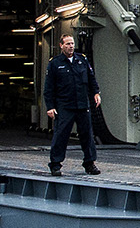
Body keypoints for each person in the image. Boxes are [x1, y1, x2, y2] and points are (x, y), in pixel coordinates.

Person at [43, 33, 101, 175]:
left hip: (82, 104)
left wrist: (96, 93)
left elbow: (91, 78)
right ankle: (55, 164)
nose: (71, 46)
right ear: (61, 45)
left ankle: (90, 163)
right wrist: (50, 107)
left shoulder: (82, 60)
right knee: (61, 135)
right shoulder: (55, 63)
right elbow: (49, 88)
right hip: (64, 105)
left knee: (87, 135)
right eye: (67, 44)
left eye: (72, 43)